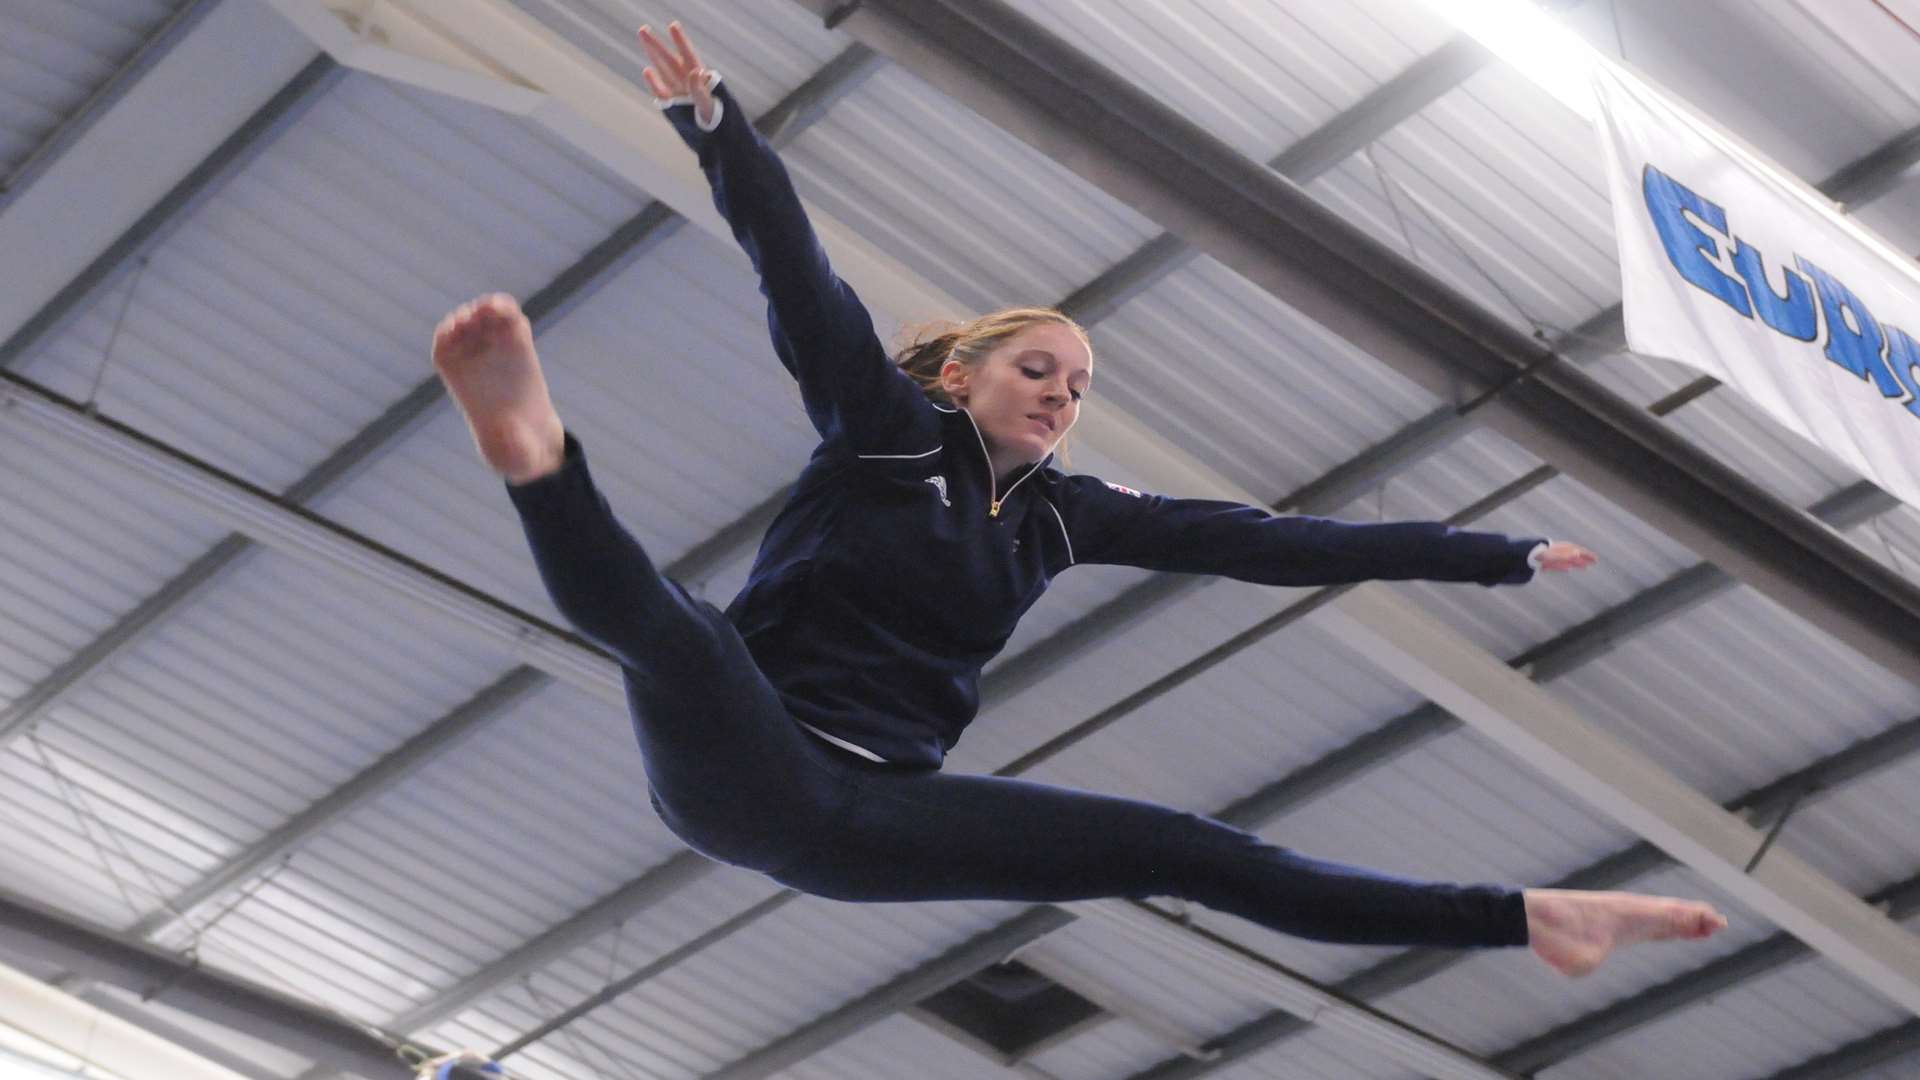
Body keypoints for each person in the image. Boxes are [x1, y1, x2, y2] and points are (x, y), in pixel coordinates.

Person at [428, 21, 1725, 979]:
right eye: (1037, 368)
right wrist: (721, 132)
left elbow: (1277, 545)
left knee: (1188, 850)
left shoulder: (1068, 516)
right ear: (959, 374)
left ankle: (1522, 917)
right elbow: (801, 285)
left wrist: (1487, 556)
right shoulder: (886, 434)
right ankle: (538, 452)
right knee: (672, 629)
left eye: (1080, 385)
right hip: (744, 751)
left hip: (878, 819)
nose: (1060, 394)